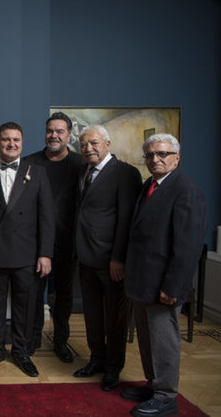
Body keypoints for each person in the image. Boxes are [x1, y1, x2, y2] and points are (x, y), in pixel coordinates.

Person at [122, 134, 207, 416]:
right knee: (148, 340)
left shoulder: (186, 190)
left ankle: (166, 397)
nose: (155, 159)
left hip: (164, 285)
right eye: (149, 155)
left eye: (162, 154)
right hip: (142, 281)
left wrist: (173, 287)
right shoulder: (150, 185)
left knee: (163, 341)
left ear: (177, 157)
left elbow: (188, 246)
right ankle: (153, 384)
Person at [0, 122, 55, 377]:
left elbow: (47, 217)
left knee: (26, 305)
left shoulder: (38, 172)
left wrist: (45, 253)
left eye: (16, 140)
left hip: (27, 252)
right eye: (6, 139)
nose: (11, 144)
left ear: (22, 143)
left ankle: (21, 351)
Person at [74, 124, 142, 391]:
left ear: (107, 144)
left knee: (115, 318)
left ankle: (113, 368)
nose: (88, 148)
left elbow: (127, 220)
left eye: (93, 143)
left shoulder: (126, 173)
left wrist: (119, 259)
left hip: (112, 261)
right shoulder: (83, 170)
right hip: (86, 257)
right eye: (83, 144)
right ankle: (96, 360)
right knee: (92, 315)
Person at [23, 112, 84, 362]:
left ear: (69, 135)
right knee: (34, 295)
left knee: (63, 296)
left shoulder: (81, 164)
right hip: (36, 242)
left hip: (68, 242)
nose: (54, 135)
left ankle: (61, 341)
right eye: (50, 131)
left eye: (59, 131)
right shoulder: (30, 163)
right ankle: (32, 340)